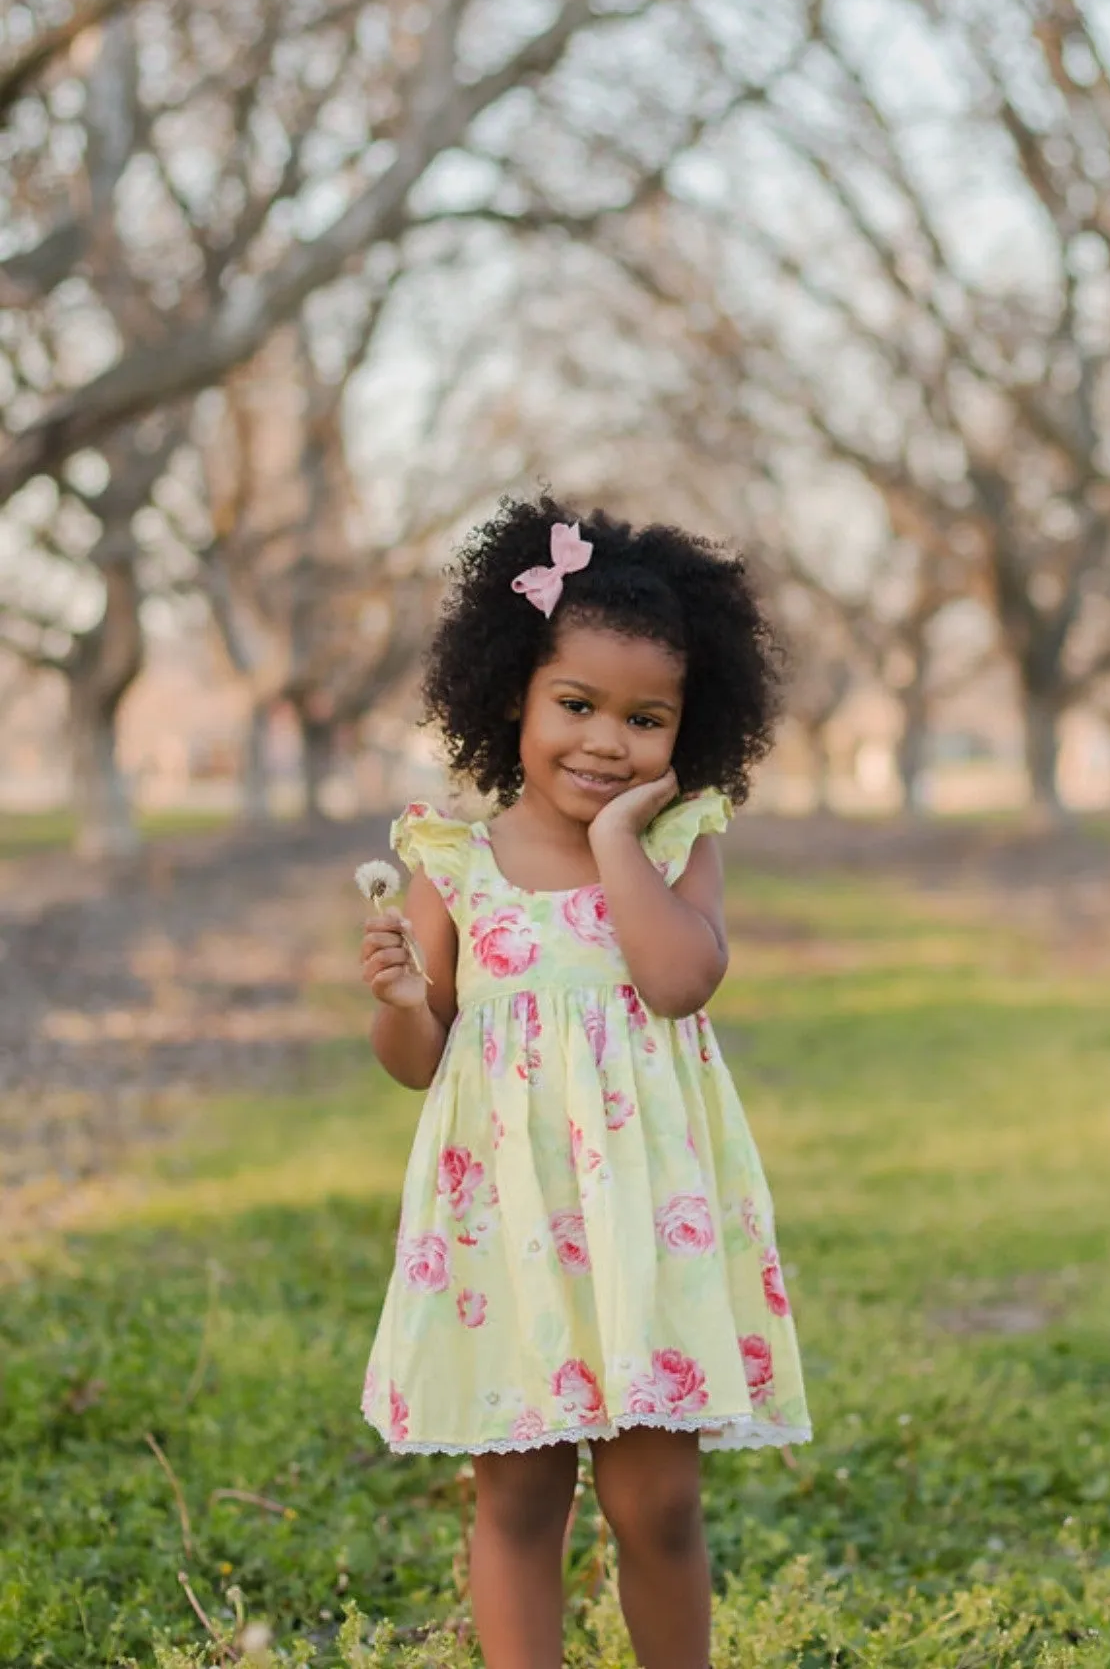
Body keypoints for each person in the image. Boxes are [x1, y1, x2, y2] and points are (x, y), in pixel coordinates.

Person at [358, 496, 811, 1669]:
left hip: (649, 1223)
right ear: (510, 692)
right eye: (575, 705)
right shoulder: (453, 861)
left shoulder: (676, 845)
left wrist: (619, 844)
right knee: (517, 1504)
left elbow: (678, 982)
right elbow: (419, 1064)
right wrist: (403, 1004)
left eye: (644, 717)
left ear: (689, 728)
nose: (606, 741)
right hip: (510, 1228)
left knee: (655, 1503)